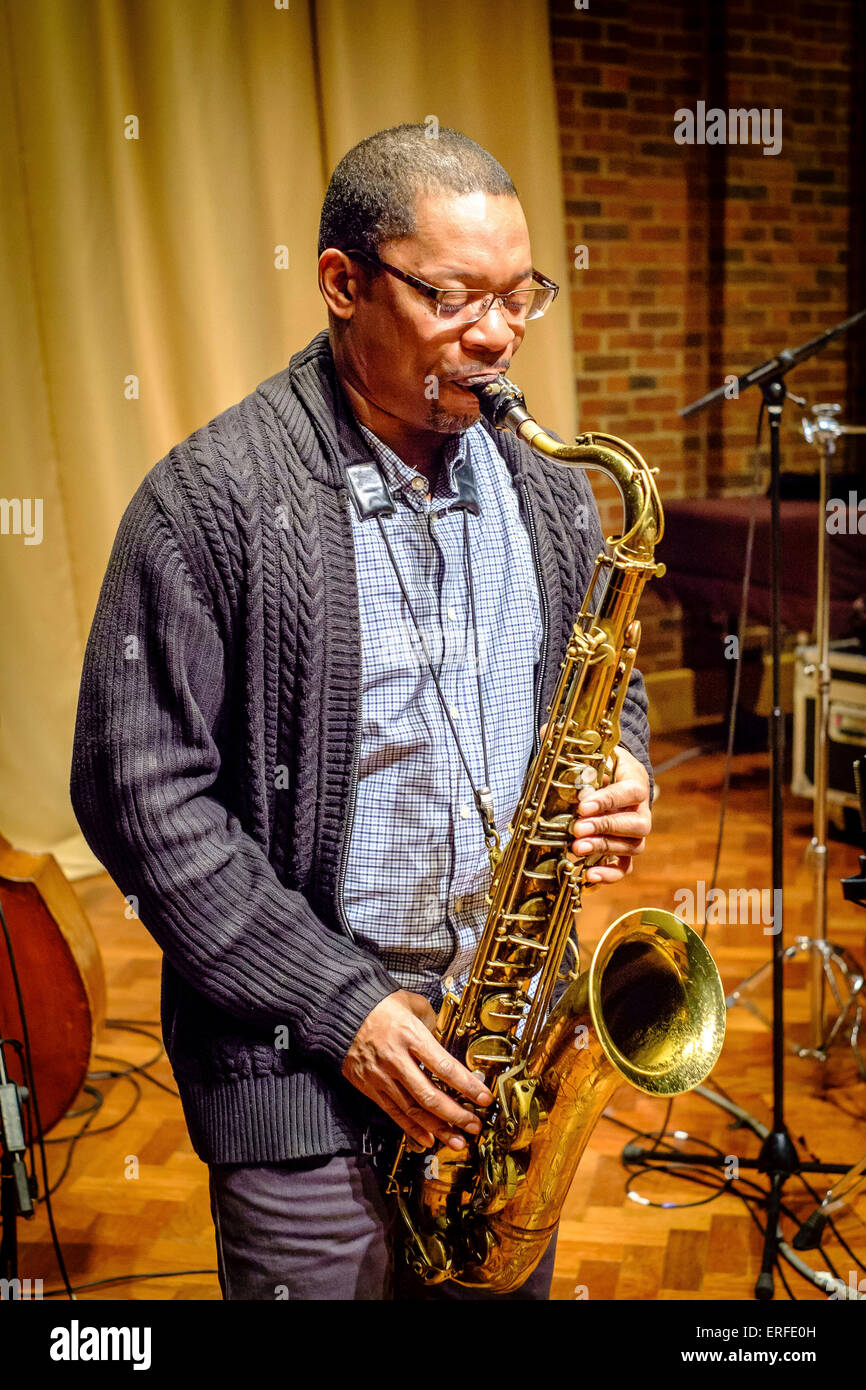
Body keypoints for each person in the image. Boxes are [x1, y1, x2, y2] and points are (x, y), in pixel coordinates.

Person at [70, 123, 653, 1301]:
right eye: (453, 297)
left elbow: (608, 675)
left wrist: (620, 764)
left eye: (518, 296)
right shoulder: (209, 501)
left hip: (505, 1066)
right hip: (304, 1076)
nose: (495, 335)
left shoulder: (548, 492)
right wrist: (342, 1007)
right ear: (342, 283)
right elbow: (141, 799)